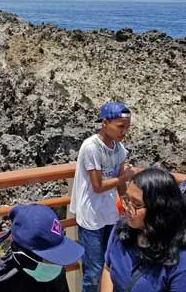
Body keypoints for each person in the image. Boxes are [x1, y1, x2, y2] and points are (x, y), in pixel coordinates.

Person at [101, 167, 186, 291]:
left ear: (159, 209)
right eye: (127, 200)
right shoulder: (122, 231)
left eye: (136, 205)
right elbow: (108, 268)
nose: (127, 209)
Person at [69, 102, 136, 292]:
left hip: (109, 214)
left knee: (111, 264)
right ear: (105, 123)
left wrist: (126, 201)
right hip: (91, 216)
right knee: (93, 271)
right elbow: (97, 186)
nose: (125, 132)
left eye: (127, 127)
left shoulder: (119, 148)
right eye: (121, 127)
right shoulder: (91, 147)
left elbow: (120, 183)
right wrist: (123, 177)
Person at [0, 203, 84, 291]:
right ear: (23, 256)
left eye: (58, 257)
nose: (57, 265)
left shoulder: (56, 273)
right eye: (50, 259)